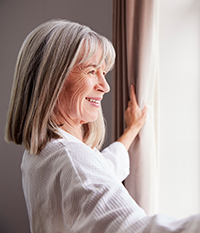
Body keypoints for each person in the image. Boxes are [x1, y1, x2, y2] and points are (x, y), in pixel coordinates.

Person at [5, 19, 200, 233]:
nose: (105, 86)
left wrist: (132, 130)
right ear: (53, 81)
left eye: (104, 73)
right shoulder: (71, 160)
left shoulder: (42, 155)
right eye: (91, 71)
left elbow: (100, 170)